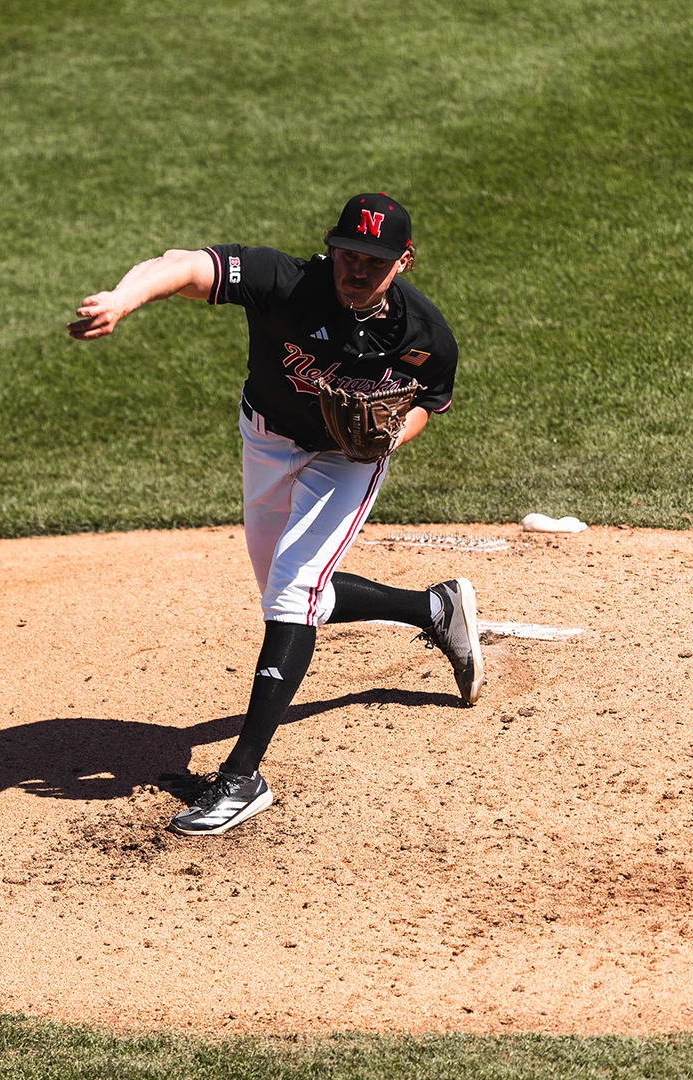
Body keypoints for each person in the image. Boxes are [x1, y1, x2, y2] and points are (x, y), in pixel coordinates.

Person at [66, 192, 484, 836]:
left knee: (292, 591)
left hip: (346, 460)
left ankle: (243, 777)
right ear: (331, 247)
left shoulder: (424, 335)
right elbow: (183, 264)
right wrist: (123, 300)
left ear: (403, 260)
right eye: (347, 254)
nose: (356, 270)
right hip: (264, 440)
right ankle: (434, 608)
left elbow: (429, 400)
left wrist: (387, 438)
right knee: (291, 592)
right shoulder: (284, 281)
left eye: (374, 261)